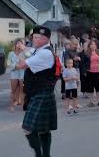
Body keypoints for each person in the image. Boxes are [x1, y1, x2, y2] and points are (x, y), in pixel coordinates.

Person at [16, 26, 58, 157]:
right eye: (33, 37)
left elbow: (21, 65)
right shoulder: (39, 50)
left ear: (46, 39)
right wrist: (25, 50)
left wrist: (20, 53)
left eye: (37, 37)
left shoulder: (45, 53)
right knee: (43, 130)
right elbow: (30, 51)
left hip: (42, 93)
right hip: (37, 92)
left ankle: (39, 154)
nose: (34, 39)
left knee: (27, 128)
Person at [82, 40, 99, 107]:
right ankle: (91, 102)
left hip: (98, 72)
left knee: (98, 87)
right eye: (91, 44)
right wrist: (84, 71)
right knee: (90, 87)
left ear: (96, 45)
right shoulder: (86, 53)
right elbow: (83, 63)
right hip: (89, 72)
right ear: (89, 46)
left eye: (94, 44)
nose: (93, 45)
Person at [7, 39, 26, 112]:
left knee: (23, 90)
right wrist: (15, 66)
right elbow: (8, 64)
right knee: (13, 90)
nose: (19, 45)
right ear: (15, 45)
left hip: (22, 73)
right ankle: (11, 106)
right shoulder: (11, 53)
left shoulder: (24, 53)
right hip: (14, 73)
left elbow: (29, 60)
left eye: (20, 43)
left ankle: (23, 105)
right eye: (17, 43)